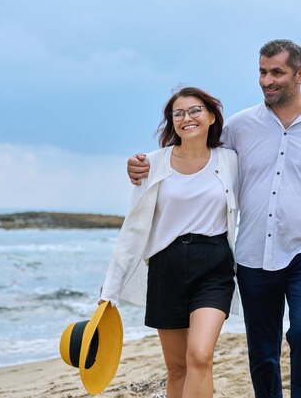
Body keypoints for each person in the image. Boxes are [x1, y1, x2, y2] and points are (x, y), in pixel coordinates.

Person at [127, 40, 301, 398]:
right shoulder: (240, 127)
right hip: (253, 254)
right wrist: (144, 166)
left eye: (276, 72)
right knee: (262, 350)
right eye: (262, 72)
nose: (266, 80)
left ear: (300, 74)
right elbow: (197, 158)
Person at [100, 86, 239, 398]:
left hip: (214, 266)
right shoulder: (152, 163)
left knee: (200, 356)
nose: (186, 118)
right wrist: (111, 287)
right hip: (166, 267)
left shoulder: (230, 162)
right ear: (171, 122)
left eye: (194, 111)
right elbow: (133, 227)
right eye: (178, 113)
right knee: (177, 368)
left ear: (211, 116)